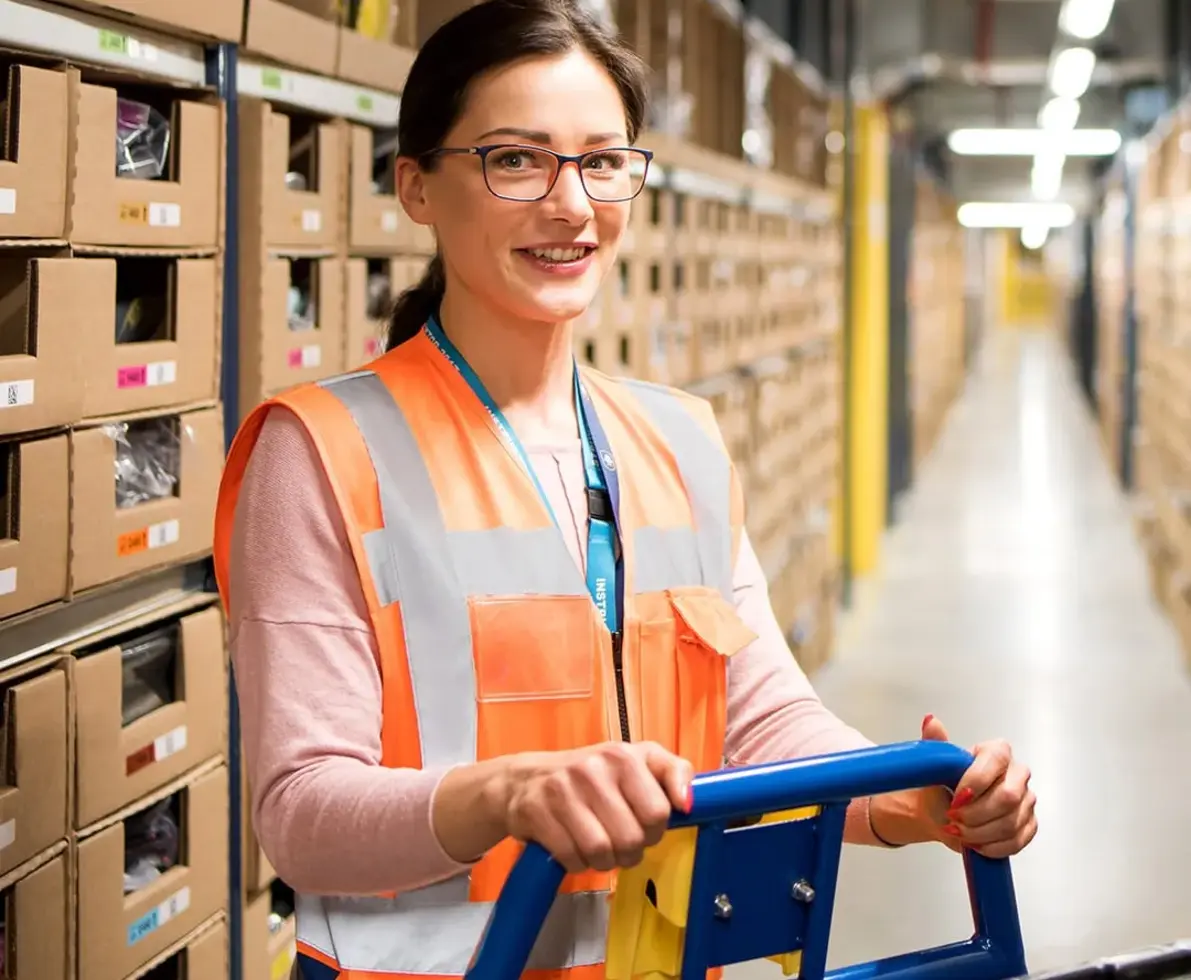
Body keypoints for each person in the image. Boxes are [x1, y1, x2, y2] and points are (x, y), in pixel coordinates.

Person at [213, 1, 1038, 977]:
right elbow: (302, 811)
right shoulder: (322, 450)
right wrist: (504, 794)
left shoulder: (677, 439)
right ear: (417, 186)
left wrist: (901, 803)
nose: (571, 205)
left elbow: (761, 718)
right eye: (516, 159)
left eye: (603, 161)